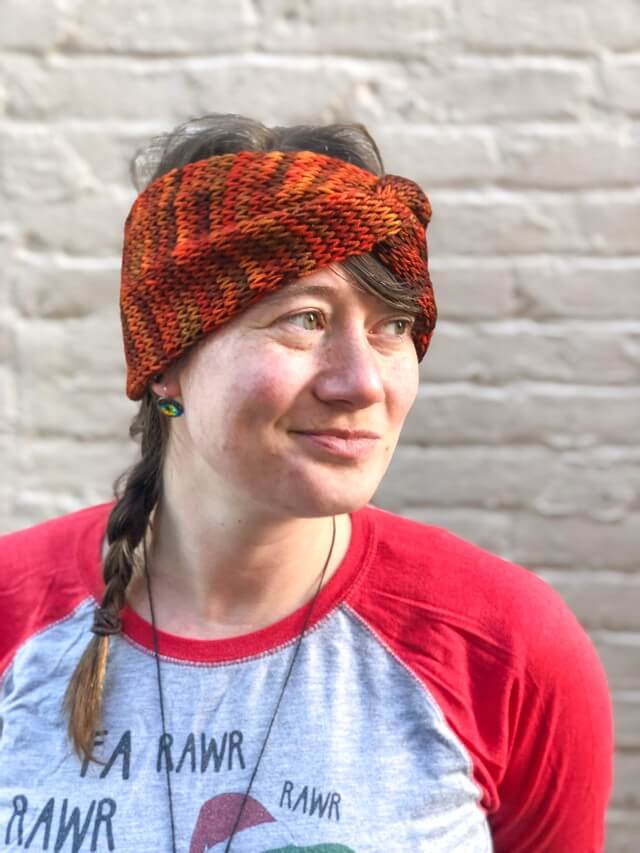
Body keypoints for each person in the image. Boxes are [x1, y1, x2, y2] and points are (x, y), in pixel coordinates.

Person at [0, 114, 612, 853]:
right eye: (304, 319)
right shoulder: (15, 614)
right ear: (166, 362)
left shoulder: (503, 648)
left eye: (392, 326)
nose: (361, 381)